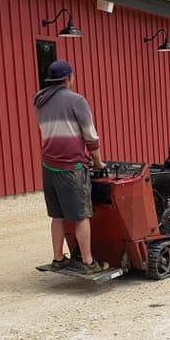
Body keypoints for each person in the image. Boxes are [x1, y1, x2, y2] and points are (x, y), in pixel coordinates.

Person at [33, 60, 107, 274]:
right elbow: (90, 135)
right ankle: (88, 262)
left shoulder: (40, 101)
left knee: (57, 215)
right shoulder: (76, 101)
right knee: (81, 215)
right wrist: (98, 162)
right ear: (68, 78)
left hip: (49, 165)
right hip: (71, 166)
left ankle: (58, 258)